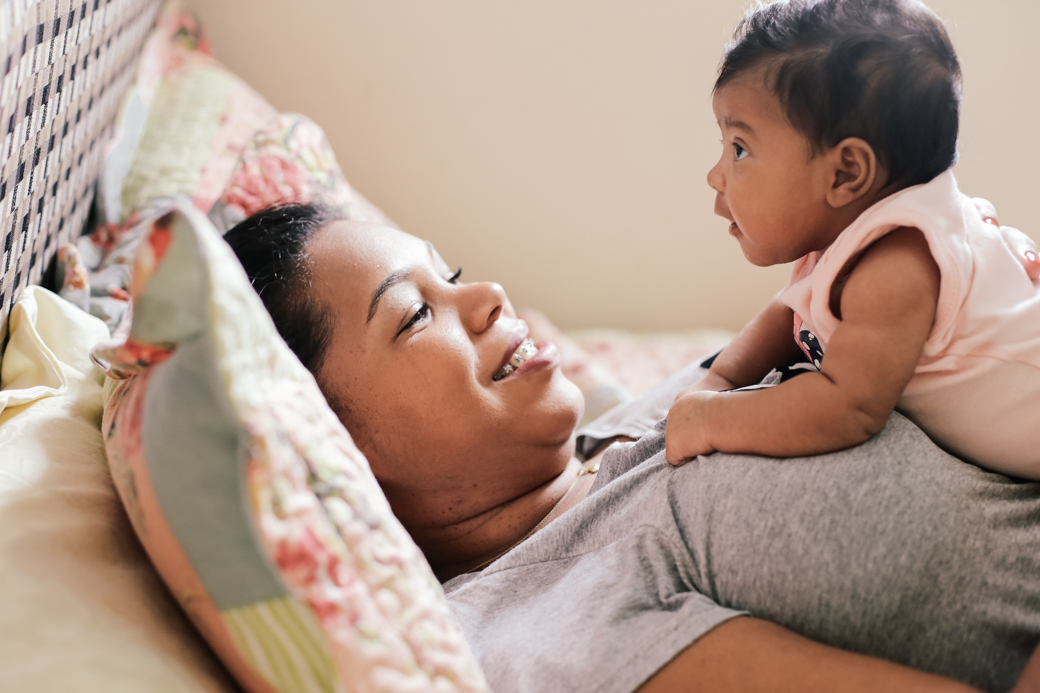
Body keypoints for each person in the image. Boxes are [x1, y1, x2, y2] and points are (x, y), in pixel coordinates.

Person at [224, 204, 1040, 693]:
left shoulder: (627, 427)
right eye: (412, 314)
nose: (485, 296)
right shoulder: (544, 628)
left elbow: (821, 327)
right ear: (330, 447)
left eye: (454, 272)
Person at [665, 0, 1040, 478]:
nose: (715, 175)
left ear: (846, 173)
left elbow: (847, 406)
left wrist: (710, 419)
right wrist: (718, 379)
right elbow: (789, 311)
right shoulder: (852, 239)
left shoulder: (898, 263)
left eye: (739, 148)